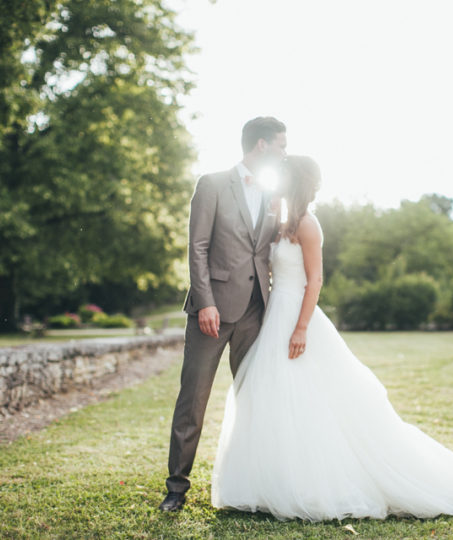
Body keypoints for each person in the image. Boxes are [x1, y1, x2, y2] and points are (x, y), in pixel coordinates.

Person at [211, 156, 453, 521]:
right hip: (274, 316)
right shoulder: (280, 222)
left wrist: (300, 328)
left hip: (297, 317)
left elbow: (314, 280)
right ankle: (268, 482)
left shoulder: (307, 224)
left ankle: (312, 482)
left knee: (307, 398)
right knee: (270, 396)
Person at [159, 117, 287, 512]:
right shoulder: (212, 184)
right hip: (210, 313)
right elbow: (197, 246)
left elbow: (264, 249)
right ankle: (176, 488)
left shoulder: (273, 191)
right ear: (262, 145)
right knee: (193, 400)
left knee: (255, 398)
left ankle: (253, 486)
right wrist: (206, 301)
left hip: (255, 311)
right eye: (281, 145)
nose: (285, 152)